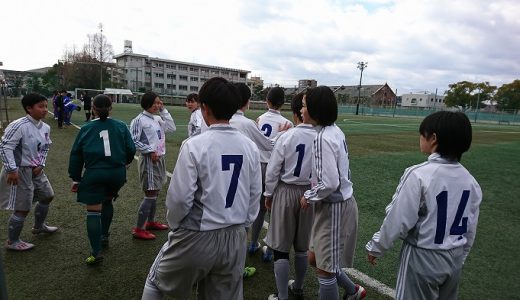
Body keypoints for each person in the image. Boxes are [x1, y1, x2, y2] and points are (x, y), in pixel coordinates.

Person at [142, 77, 262, 300]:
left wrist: (177, 227)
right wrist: (242, 226)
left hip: (198, 233)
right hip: (235, 236)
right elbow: (255, 194)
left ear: (204, 108)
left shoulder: (195, 145)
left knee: (156, 281)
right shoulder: (250, 147)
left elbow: (179, 199)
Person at [365, 111, 482, 300]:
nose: (420, 138)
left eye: (422, 134)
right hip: (455, 257)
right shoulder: (471, 181)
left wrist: (377, 246)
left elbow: (398, 218)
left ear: (433, 138)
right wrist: (460, 257)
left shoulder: (419, 174)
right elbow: (471, 228)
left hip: (423, 256)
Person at [300, 86, 366, 300]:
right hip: (333, 205)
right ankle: (353, 291)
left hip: (335, 207)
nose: (301, 110)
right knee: (314, 259)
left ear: (316, 110)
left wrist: (308, 196)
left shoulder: (323, 138)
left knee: (325, 269)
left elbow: (329, 182)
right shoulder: (332, 131)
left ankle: (351, 291)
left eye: (304, 106)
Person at [68, 94, 136, 265]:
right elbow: (131, 149)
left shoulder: (86, 128)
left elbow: (76, 155)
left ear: (93, 109)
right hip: (117, 173)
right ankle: (104, 236)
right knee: (107, 201)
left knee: (93, 211)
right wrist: (123, 164)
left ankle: (96, 252)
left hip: (95, 173)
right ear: (111, 108)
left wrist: (76, 178)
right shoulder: (121, 126)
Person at [264, 93, 315, 300]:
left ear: (296, 114)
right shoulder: (321, 136)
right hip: (310, 194)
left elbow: (273, 170)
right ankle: (299, 287)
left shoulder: (287, 137)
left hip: (285, 191)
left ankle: (282, 296)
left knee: (281, 247)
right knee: (302, 247)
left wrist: (268, 193)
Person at [230, 83, 288, 261]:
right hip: (273, 168)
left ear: (267, 101)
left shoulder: (259, 119)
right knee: (273, 211)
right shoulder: (287, 123)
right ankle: (270, 249)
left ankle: (253, 243)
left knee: (258, 208)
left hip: (254, 166)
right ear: (283, 103)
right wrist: (282, 134)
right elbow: (273, 145)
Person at [0, 93, 58, 251]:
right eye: (41, 106)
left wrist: (41, 164)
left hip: (36, 169)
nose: (45, 110)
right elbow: (5, 147)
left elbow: (45, 147)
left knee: (47, 195)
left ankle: (39, 227)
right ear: (28, 108)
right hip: (20, 170)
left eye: (46, 106)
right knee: (22, 207)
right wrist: (12, 170)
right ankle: (12, 242)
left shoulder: (45, 127)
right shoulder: (19, 125)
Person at [130, 91, 176, 240]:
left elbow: (171, 128)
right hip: (149, 160)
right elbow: (134, 140)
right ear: (147, 103)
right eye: (155, 103)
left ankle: (150, 222)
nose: (157, 105)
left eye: (159, 102)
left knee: (155, 192)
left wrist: (164, 111)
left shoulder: (157, 118)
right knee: (150, 193)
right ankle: (139, 228)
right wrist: (150, 151)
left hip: (159, 158)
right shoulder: (139, 120)